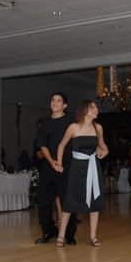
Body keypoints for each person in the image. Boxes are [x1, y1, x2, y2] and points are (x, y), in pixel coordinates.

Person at [54, 100, 108, 247]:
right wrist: (59, 163)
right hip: (77, 168)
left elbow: (103, 146)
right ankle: (61, 235)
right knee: (70, 199)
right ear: (85, 110)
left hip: (93, 166)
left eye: (96, 107)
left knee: (95, 199)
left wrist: (104, 151)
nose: (96, 109)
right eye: (93, 107)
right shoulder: (73, 127)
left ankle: (93, 236)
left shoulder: (98, 128)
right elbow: (61, 146)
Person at [35, 93, 78, 245]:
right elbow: (43, 145)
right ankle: (49, 231)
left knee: (67, 199)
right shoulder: (45, 122)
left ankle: (70, 234)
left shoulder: (71, 120)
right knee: (43, 199)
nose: (54, 103)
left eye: (58, 101)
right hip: (49, 164)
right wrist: (52, 162)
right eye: (53, 100)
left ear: (65, 105)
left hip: (66, 164)